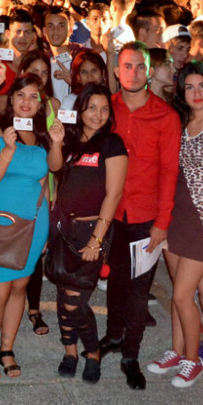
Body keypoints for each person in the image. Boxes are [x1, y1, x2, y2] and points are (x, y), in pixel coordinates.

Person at [147, 62, 203, 387]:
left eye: (202, 85)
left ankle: (193, 359)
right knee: (178, 292)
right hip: (174, 215)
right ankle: (177, 350)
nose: (196, 92)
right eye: (189, 86)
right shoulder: (179, 121)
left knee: (184, 294)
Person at [98, 42, 180, 391]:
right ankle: (113, 336)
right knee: (114, 281)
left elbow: (170, 171)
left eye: (140, 66)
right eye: (127, 66)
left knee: (137, 290)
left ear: (150, 71)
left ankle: (130, 354)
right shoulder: (105, 109)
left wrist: (162, 222)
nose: (133, 73)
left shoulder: (166, 116)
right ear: (117, 71)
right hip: (109, 212)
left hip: (146, 215)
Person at [0, 73, 53, 381]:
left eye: (33, 96)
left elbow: (44, 184)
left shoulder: (42, 136)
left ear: (41, 103)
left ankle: (7, 348)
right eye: (21, 95)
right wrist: (7, 149)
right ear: (10, 99)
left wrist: (44, 227)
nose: (26, 102)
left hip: (34, 223)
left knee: (20, 287)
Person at [46, 83, 127, 384]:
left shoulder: (112, 143)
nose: (98, 114)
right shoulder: (71, 140)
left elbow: (113, 194)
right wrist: (56, 143)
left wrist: (96, 239)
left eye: (104, 109)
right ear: (80, 109)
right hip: (64, 229)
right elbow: (55, 168)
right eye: (92, 107)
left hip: (92, 231)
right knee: (62, 293)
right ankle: (69, 351)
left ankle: (92, 353)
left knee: (75, 302)